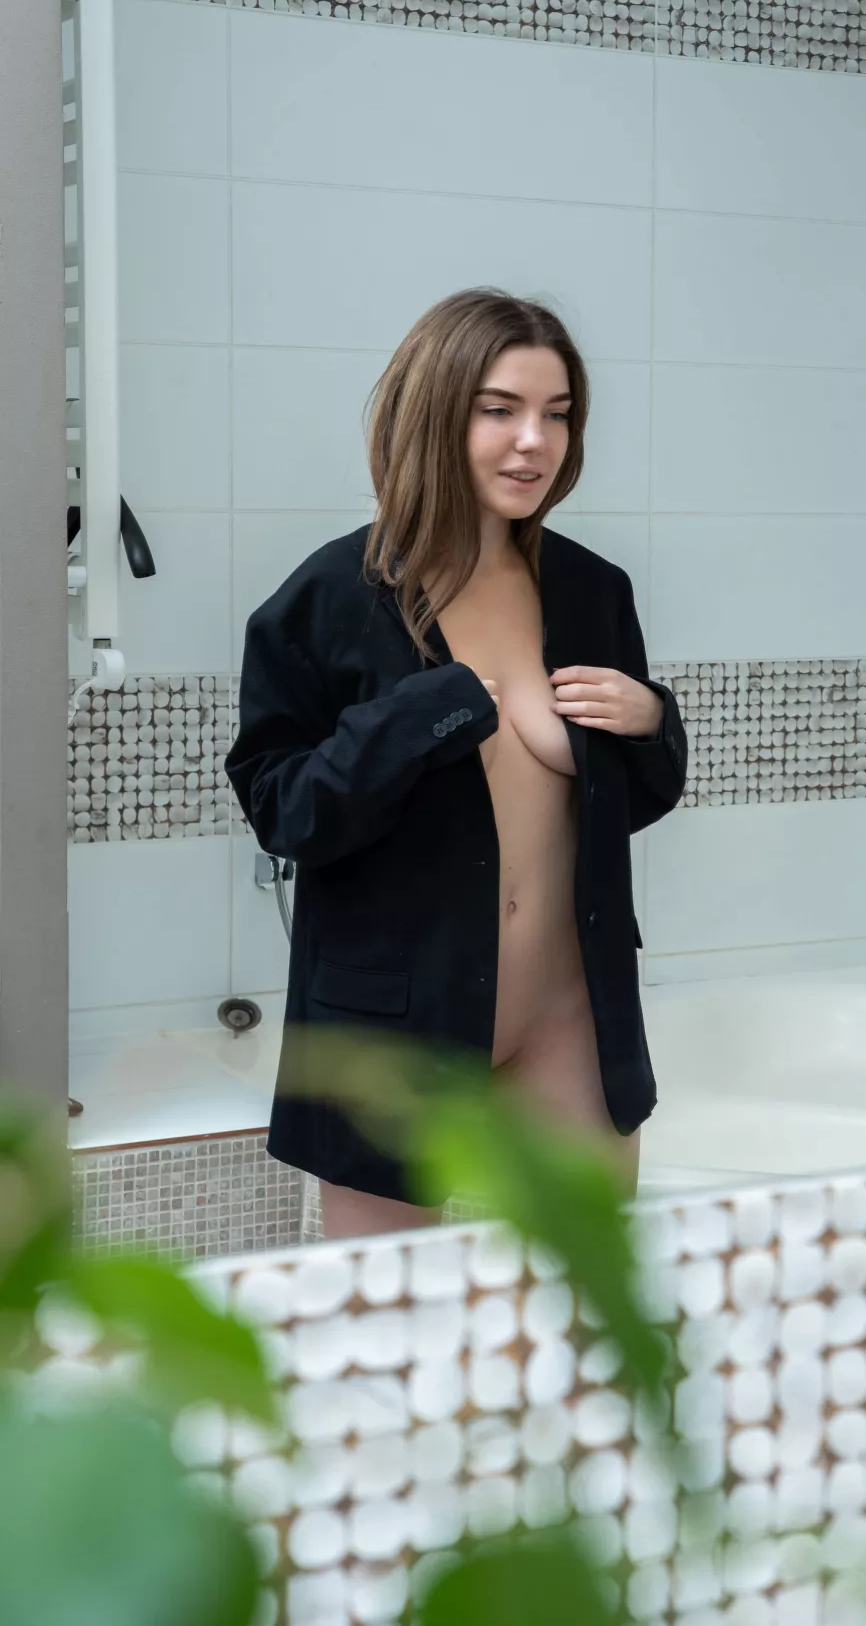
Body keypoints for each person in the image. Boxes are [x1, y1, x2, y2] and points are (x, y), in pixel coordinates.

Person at [225, 288, 688, 1238]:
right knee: (384, 1313)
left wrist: (652, 722)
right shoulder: (327, 599)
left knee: (590, 1300)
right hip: (391, 1033)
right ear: (435, 413)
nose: (534, 441)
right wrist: (420, 714)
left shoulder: (594, 591)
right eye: (499, 409)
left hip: (568, 1013)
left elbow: (629, 802)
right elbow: (285, 811)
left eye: (557, 414)